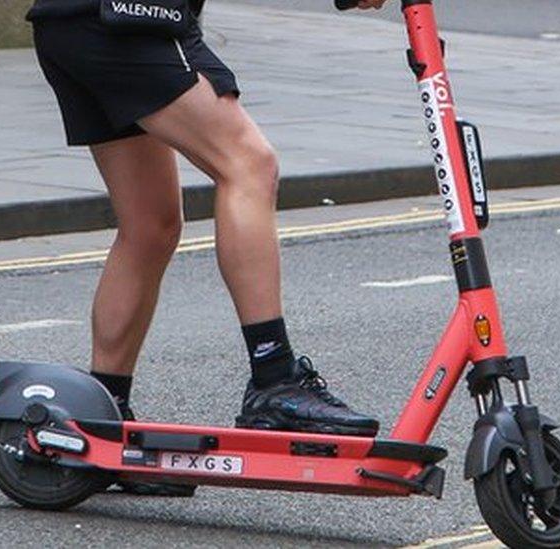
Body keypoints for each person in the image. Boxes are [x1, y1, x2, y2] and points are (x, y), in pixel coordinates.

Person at [25, 0, 387, 456]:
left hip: (70, 27)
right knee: (249, 164)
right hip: (127, 22)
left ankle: (103, 416)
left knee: (150, 225)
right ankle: (274, 378)